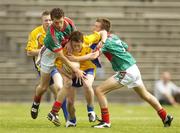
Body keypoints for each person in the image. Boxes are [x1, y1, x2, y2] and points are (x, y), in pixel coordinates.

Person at [67, 18, 174, 128]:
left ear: (102, 29)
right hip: (133, 68)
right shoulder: (114, 37)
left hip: (126, 71)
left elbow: (94, 55)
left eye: (96, 26)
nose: (93, 28)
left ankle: (106, 121)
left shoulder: (105, 42)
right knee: (145, 95)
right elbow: (126, 47)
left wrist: (74, 58)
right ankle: (165, 117)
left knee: (99, 91)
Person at [30, 8, 85, 122]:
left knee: (62, 85)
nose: (59, 25)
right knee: (43, 87)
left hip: (61, 55)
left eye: (60, 21)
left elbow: (75, 36)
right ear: (52, 20)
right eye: (55, 22)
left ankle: (59, 115)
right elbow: (61, 56)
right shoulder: (51, 35)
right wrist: (74, 67)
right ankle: (36, 101)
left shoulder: (69, 22)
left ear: (63, 18)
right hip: (48, 56)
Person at [54, 30, 106, 127]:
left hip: (88, 69)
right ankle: (72, 120)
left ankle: (91, 110)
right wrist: (68, 75)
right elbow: (58, 66)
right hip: (72, 73)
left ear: (83, 42)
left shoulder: (87, 39)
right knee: (70, 102)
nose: (77, 48)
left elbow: (103, 32)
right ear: (70, 43)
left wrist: (102, 41)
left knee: (87, 85)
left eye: (79, 45)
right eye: (74, 46)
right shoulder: (65, 49)